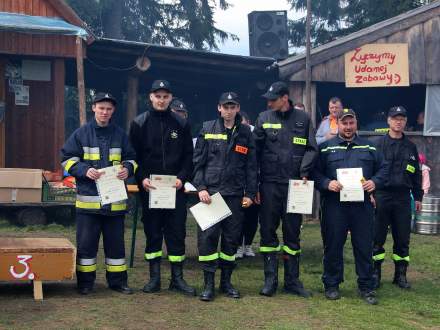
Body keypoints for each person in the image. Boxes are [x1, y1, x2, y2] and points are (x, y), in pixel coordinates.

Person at [61, 92, 137, 295]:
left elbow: (132, 158)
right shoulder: (81, 134)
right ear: (93, 108)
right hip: (88, 206)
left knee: (116, 248)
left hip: (115, 205)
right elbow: (67, 160)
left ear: (113, 111)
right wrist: (84, 170)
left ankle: (118, 282)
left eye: (109, 109)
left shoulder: (120, 134)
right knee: (86, 248)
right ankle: (85, 283)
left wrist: (127, 169)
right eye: (101, 108)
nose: (105, 112)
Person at [313, 108, 387, 305]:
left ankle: (366, 287)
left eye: (351, 123)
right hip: (334, 205)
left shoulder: (370, 148)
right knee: (333, 245)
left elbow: (384, 169)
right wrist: (327, 183)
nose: (348, 127)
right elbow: (315, 173)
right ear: (339, 124)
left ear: (356, 124)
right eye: (344, 123)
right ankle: (331, 285)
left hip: (361, 206)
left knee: (363, 246)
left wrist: (375, 182)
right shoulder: (326, 148)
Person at [129, 80, 196, 296]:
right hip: (150, 190)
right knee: (153, 232)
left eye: (165, 96)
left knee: (177, 233)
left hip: (175, 189)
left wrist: (182, 178)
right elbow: (133, 157)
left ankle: (177, 279)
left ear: (170, 98)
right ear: (150, 97)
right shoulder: (139, 123)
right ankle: (154, 279)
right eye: (157, 96)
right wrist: (141, 179)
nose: (161, 100)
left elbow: (189, 156)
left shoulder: (181, 123)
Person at [254, 81, 318, 298]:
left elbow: (311, 148)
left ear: (285, 98)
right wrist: (255, 185)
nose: (269, 102)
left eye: (273, 99)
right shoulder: (264, 118)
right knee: (268, 232)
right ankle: (270, 280)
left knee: (292, 233)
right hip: (270, 184)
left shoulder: (303, 118)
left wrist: (304, 171)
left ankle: (292, 280)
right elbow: (255, 152)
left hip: (295, 185)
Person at [193, 92, 257, 301]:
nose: (229, 111)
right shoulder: (207, 128)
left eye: (233, 107)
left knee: (231, 241)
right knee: (208, 240)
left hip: (235, 195)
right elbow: (198, 162)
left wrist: (250, 194)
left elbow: (251, 165)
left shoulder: (246, 132)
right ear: (219, 108)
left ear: (238, 108)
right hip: (210, 194)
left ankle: (226, 283)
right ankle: (208, 285)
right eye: (225, 107)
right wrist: (201, 187)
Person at [372, 106, 423, 290]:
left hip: (402, 197)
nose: (398, 122)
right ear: (388, 121)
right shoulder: (377, 145)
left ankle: (400, 275)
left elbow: (416, 174)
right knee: (377, 237)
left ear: (405, 122)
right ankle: (375, 273)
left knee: (402, 238)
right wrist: (370, 194)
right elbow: (369, 171)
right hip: (381, 196)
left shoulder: (411, 147)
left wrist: (418, 197)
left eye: (402, 118)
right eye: (395, 118)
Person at [236, 111, 258, 258]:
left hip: (253, 184)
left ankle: (248, 246)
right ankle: (237, 246)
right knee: (238, 217)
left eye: (244, 124)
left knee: (252, 217)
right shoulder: (233, 137)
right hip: (237, 185)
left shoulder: (256, 138)